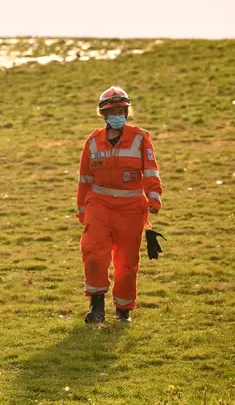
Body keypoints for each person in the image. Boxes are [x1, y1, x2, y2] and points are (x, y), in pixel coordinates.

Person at [76, 86, 164, 323]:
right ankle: (96, 307)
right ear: (103, 114)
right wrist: (82, 211)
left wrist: (154, 196)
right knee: (94, 255)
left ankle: (123, 311)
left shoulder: (140, 138)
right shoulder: (93, 142)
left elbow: (151, 169)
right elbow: (84, 178)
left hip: (132, 208)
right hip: (99, 204)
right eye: (112, 111)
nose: (117, 115)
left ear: (127, 111)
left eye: (121, 110)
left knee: (126, 263)